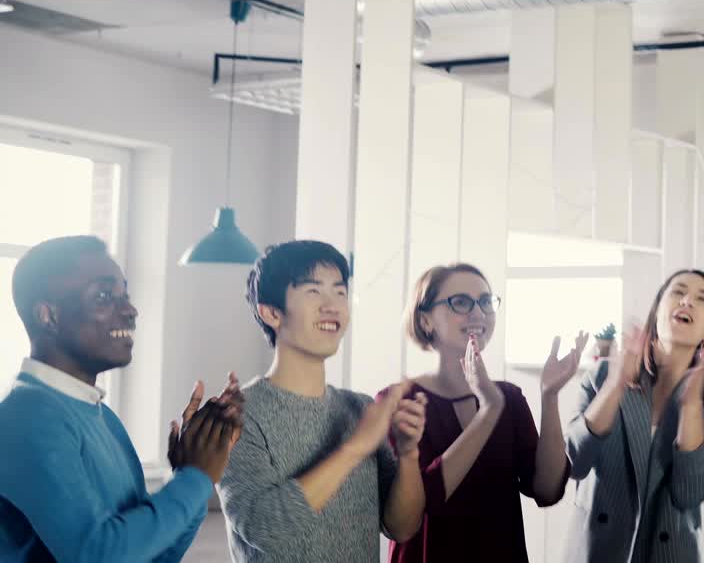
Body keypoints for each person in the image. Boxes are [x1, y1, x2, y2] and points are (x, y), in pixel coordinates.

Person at [0, 235, 243, 562]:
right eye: (103, 296)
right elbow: (101, 556)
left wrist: (192, 469)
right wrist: (195, 478)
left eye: (124, 295)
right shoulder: (27, 416)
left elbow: (153, 556)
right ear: (49, 316)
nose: (130, 310)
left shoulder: (102, 417)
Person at [217, 240, 427, 562]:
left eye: (340, 292)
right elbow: (264, 529)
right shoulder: (237, 414)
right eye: (314, 292)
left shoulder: (359, 408)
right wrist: (354, 448)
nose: (333, 306)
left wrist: (410, 453)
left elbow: (401, 528)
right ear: (272, 312)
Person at [385, 262, 584, 562]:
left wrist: (550, 396)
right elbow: (414, 512)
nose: (478, 313)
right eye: (461, 302)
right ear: (425, 320)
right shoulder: (399, 402)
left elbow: (546, 490)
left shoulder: (510, 398)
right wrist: (488, 410)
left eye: (486, 302)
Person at [564, 269, 704, 563]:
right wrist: (615, 386)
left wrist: (691, 406)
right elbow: (573, 463)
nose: (687, 301)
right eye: (678, 292)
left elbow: (688, 493)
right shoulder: (604, 376)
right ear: (658, 309)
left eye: (702, 299)